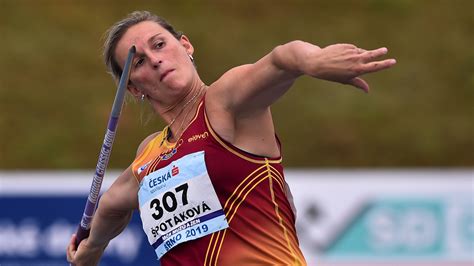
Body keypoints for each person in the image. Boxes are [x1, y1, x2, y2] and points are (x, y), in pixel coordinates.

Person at [66, 10, 396, 266]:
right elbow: (112, 205)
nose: (155, 59)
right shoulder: (150, 152)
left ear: (185, 45)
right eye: (139, 62)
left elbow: (283, 58)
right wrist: (92, 248)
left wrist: (313, 60)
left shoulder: (223, 102)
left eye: (160, 44)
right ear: (135, 88)